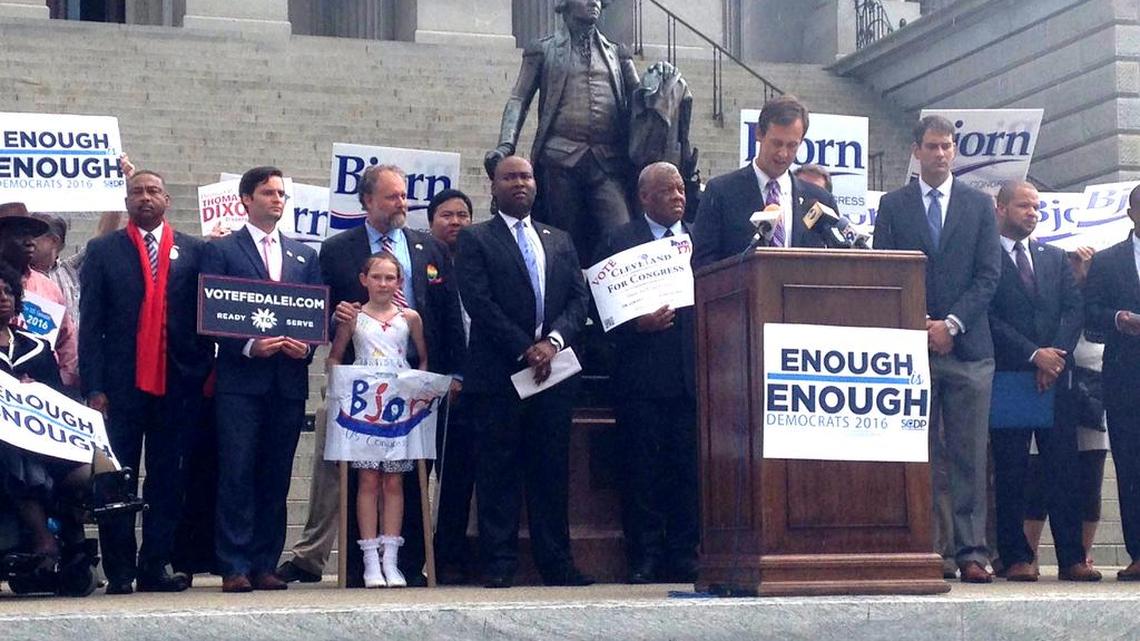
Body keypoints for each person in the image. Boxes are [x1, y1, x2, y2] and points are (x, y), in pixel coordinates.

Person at [276, 164, 461, 587]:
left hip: (413, 381)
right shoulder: (338, 249)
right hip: (360, 383)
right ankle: (362, 564)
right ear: (367, 201)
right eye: (393, 197)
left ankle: (406, 561)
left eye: (403, 196)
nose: (402, 204)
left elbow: (447, 314)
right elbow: (316, 314)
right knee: (362, 475)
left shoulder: (428, 247)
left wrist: (453, 374)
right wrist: (333, 316)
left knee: (409, 472)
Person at [872, 115, 1002, 583]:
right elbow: (886, 273)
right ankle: (930, 548)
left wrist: (951, 324)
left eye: (948, 146)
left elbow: (989, 275)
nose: (941, 154)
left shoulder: (978, 206)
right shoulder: (893, 206)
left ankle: (971, 552)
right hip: (911, 349)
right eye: (932, 146)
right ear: (916, 151)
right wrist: (921, 324)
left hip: (969, 349)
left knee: (968, 453)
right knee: (920, 453)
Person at [456, 155, 592, 588]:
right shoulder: (476, 239)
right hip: (499, 375)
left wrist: (551, 344)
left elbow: (578, 301)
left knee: (551, 471)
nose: (520, 183)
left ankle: (557, 563)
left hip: (553, 375)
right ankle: (499, 564)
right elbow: (479, 302)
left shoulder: (559, 239)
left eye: (527, 176)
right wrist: (524, 347)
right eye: (510, 177)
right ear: (493, 186)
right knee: (499, 471)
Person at [79, 170, 215, 594]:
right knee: (115, 478)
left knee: (168, 479)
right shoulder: (104, 250)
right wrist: (94, 387)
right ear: (126, 201)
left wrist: (198, 373)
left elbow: (206, 317)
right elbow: (92, 325)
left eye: (152, 191)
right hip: (120, 387)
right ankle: (120, 571)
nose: (144, 198)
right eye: (136, 192)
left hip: (177, 385)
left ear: (167, 200)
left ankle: (155, 564)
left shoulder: (195, 251)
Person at [204, 166, 321, 593]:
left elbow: (314, 316)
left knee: (276, 474)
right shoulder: (223, 250)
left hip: (287, 382)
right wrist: (250, 345)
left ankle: (264, 562)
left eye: (281, 194)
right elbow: (213, 311)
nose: (277, 200)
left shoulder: (304, 255)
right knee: (236, 471)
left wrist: (304, 347)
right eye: (269, 193)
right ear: (246, 200)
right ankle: (233, 563)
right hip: (241, 382)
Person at [986, 180, 1100, 582]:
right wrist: (1034, 355)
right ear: (1000, 208)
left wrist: (1054, 358)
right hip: (1011, 377)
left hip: (1056, 379)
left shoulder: (1053, 258)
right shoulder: (987, 260)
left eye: (1036, 208)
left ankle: (1072, 557)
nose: (1032, 214)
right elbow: (989, 317)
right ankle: (1016, 556)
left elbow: (1074, 309)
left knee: (1064, 469)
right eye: (1023, 206)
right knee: (1013, 470)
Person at [594, 162, 698, 584]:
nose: (678, 196)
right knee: (642, 474)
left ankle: (684, 554)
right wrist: (638, 324)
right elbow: (598, 309)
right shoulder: (618, 241)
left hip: (692, 377)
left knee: (687, 472)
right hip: (639, 378)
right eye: (668, 190)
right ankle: (645, 557)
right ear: (644, 198)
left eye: (681, 189)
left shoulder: (698, 239)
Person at [485, 0, 640, 265]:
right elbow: (518, 99)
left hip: (607, 161)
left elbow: (641, 99)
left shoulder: (617, 53)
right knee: (563, 241)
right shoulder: (543, 49)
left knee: (621, 234)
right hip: (560, 159)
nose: (594, 3)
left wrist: (661, 84)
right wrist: (506, 145)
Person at [327, 253, 428, 588]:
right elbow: (336, 357)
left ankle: (392, 559)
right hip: (364, 404)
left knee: (394, 483)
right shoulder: (353, 318)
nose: (383, 284)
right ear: (364, 279)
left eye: (390, 278)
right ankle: (370, 560)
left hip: (398, 404)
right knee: (368, 480)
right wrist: (340, 387)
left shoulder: (410, 317)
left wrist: (419, 389)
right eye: (377, 277)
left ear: (399, 282)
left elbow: (423, 358)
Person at [0, 262, 89, 577]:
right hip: (7, 448)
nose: (3, 297)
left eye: (9, 291)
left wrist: (35, 390)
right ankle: (43, 540)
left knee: (87, 469)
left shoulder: (36, 347)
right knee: (11, 448)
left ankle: (72, 542)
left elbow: (58, 396)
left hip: (44, 442)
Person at [1023, 246, 1108, 574]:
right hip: (1041, 378)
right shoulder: (1037, 276)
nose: (1073, 264)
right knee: (1037, 474)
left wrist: (1088, 279)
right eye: (1069, 259)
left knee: (1088, 476)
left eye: (1079, 259)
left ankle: (1080, 555)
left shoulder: (1096, 282)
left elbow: (1093, 321)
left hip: (1090, 388)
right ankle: (1027, 553)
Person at [691, 95, 840, 268]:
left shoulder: (820, 200)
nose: (783, 154)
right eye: (777, 143)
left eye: (792, 146)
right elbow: (703, 265)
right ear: (759, 134)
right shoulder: (721, 192)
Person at [1083, 183, 1140, 580]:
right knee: (1131, 467)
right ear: (1133, 213)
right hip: (1125, 379)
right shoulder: (1108, 261)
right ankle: (1138, 553)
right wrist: (1118, 319)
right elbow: (1091, 316)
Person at [425, 188, 478, 584]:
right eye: (447, 215)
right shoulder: (423, 261)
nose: (456, 222)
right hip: (431, 383)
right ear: (430, 222)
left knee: (460, 476)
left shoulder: (481, 260)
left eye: (463, 215)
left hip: (478, 384)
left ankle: (451, 556)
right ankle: (414, 556)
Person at [0, 203, 78, 389]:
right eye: (20, 234)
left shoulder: (48, 287)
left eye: (33, 235)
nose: (30, 242)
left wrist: (56, 385)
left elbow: (66, 341)